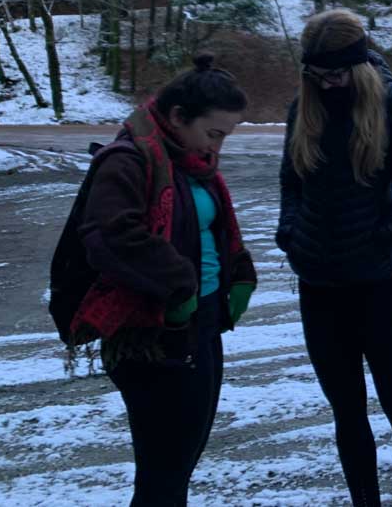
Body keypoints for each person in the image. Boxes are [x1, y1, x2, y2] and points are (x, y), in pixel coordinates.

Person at [66, 55, 257, 506]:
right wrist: (180, 285)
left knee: (180, 463)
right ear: (176, 116)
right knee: (164, 472)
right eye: (214, 133)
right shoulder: (128, 160)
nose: (218, 147)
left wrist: (238, 271)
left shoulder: (191, 161)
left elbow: (207, 229)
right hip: (153, 332)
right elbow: (110, 235)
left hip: (201, 322)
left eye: (225, 136)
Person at [278, 9, 392, 507]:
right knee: (346, 413)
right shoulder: (303, 108)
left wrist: (385, 236)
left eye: (337, 74)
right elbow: (290, 181)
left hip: (378, 285)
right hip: (318, 286)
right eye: (317, 76)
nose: (327, 85)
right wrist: (289, 232)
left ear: (359, 65)